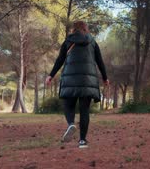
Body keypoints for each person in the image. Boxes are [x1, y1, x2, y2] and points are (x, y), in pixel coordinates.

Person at [46, 21, 109, 149]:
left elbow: (60, 60)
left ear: (73, 29)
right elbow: (100, 61)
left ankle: (70, 124)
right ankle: (82, 141)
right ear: (86, 28)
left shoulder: (68, 41)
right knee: (84, 110)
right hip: (87, 80)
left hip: (70, 79)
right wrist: (105, 78)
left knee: (68, 105)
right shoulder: (92, 42)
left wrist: (51, 75)